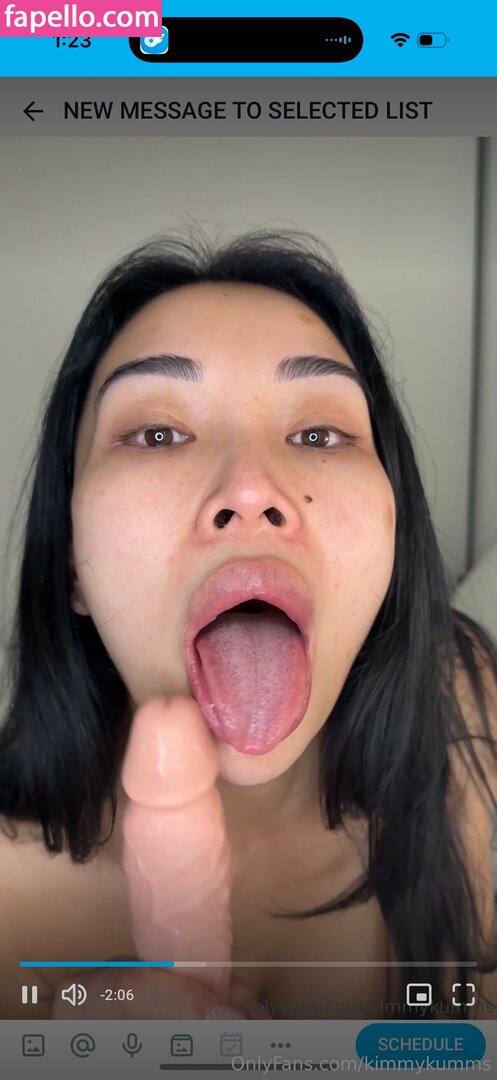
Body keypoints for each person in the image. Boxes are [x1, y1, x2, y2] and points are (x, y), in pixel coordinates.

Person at [0, 228, 496, 1021]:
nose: (251, 488)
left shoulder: (457, 706)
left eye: (318, 434)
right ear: (71, 566)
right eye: (158, 433)